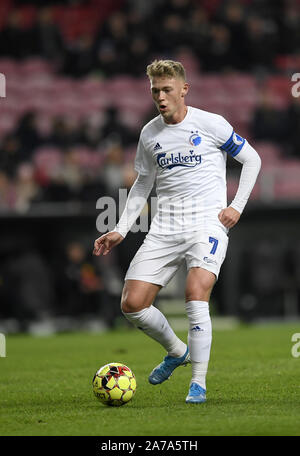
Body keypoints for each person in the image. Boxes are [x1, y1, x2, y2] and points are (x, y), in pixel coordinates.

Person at [93, 59, 261, 404]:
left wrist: (237, 206)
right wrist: (121, 229)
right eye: (155, 90)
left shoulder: (211, 124)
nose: (161, 96)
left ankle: (198, 383)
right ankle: (176, 351)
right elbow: (142, 185)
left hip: (206, 223)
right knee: (132, 304)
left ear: (184, 89)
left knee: (195, 294)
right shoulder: (149, 133)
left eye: (167, 89)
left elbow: (252, 159)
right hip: (165, 227)